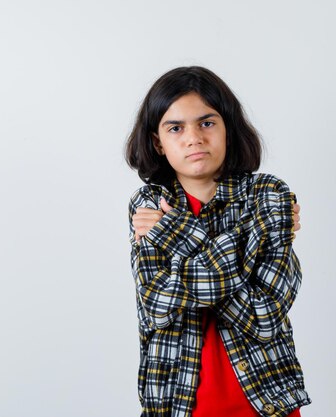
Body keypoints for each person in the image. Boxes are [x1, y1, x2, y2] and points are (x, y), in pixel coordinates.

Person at [124, 66, 311, 417]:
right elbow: (159, 306)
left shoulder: (268, 193)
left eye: (206, 123)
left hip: (266, 401)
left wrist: (171, 232)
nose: (193, 138)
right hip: (177, 403)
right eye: (175, 127)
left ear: (228, 129)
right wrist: (246, 245)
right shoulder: (147, 204)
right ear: (157, 142)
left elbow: (265, 316)